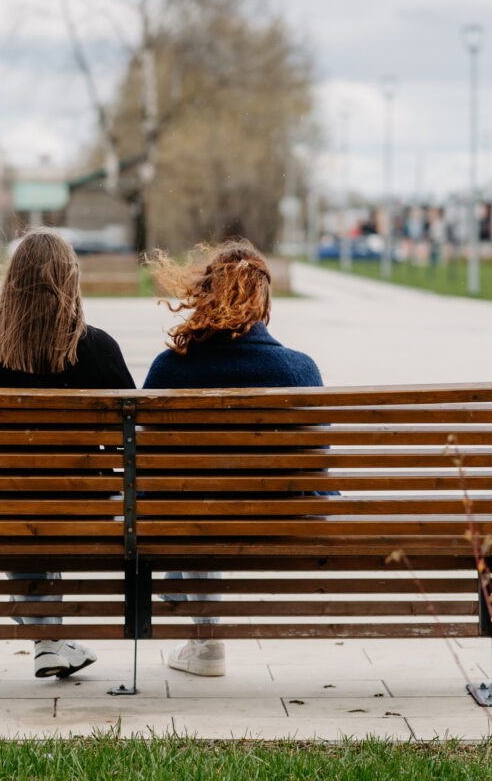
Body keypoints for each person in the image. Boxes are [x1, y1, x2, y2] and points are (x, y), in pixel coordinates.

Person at [0, 227, 135, 679]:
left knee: (19, 508)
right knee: (43, 506)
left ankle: (47, 638)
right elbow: (132, 426)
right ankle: (49, 639)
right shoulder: (99, 348)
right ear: (71, 281)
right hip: (86, 504)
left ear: (12, 284)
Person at [143, 239, 325, 677]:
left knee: (190, 507)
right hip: (281, 521)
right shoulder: (300, 371)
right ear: (262, 300)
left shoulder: (170, 369)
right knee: (201, 506)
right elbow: (317, 469)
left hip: (194, 522)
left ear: (205, 293)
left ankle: (205, 641)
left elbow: (147, 468)